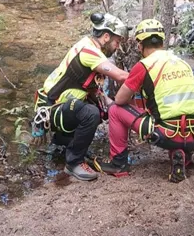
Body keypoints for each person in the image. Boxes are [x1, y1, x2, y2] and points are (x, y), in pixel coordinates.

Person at [101, 19, 194, 183]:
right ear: (161, 41)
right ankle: (183, 156)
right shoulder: (182, 63)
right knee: (176, 115)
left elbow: (121, 99)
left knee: (115, 109)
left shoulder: (144, 65)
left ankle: (118, 164)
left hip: (168, 134)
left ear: (140, 45)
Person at [32, 12, 129, 181]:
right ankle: (74, 163)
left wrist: (112, 106)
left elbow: (92, 89)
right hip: (52, 108)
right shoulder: (88, 50)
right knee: (91, 113)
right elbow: (120, 76)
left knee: (101, 109)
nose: (117, 47)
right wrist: (146, 76)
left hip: (62, 106)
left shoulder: (90, 48)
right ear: (106, 37)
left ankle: (64, 141)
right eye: (116, 42)